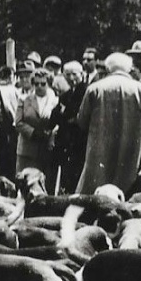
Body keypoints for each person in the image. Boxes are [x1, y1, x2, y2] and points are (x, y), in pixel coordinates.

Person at [75, 53, 141, 195]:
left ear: (108, 68)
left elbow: (82, 121)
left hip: (99, 156)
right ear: (129, 69)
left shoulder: (94, 89)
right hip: (133, 156)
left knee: (97, 200)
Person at [49, 61, 88, 194]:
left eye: (74, 74)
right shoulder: (66, 95)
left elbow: (76, 119)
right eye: (67, 75)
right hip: (66, 143)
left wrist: (65, 117)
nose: (71, 78)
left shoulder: (86, 92)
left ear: (81, 74)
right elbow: (54, 117)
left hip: (80, 142)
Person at [15, 69, 58, 179]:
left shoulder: (55, 101)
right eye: (36, 83)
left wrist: (50, 134)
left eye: (43, 84)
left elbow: (58, 122)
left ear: (48, 84)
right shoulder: (24, 99)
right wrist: (33, 133)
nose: (39, 86)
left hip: (46, 149)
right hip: (27, 149)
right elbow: (18, 122)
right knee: (24, 182)